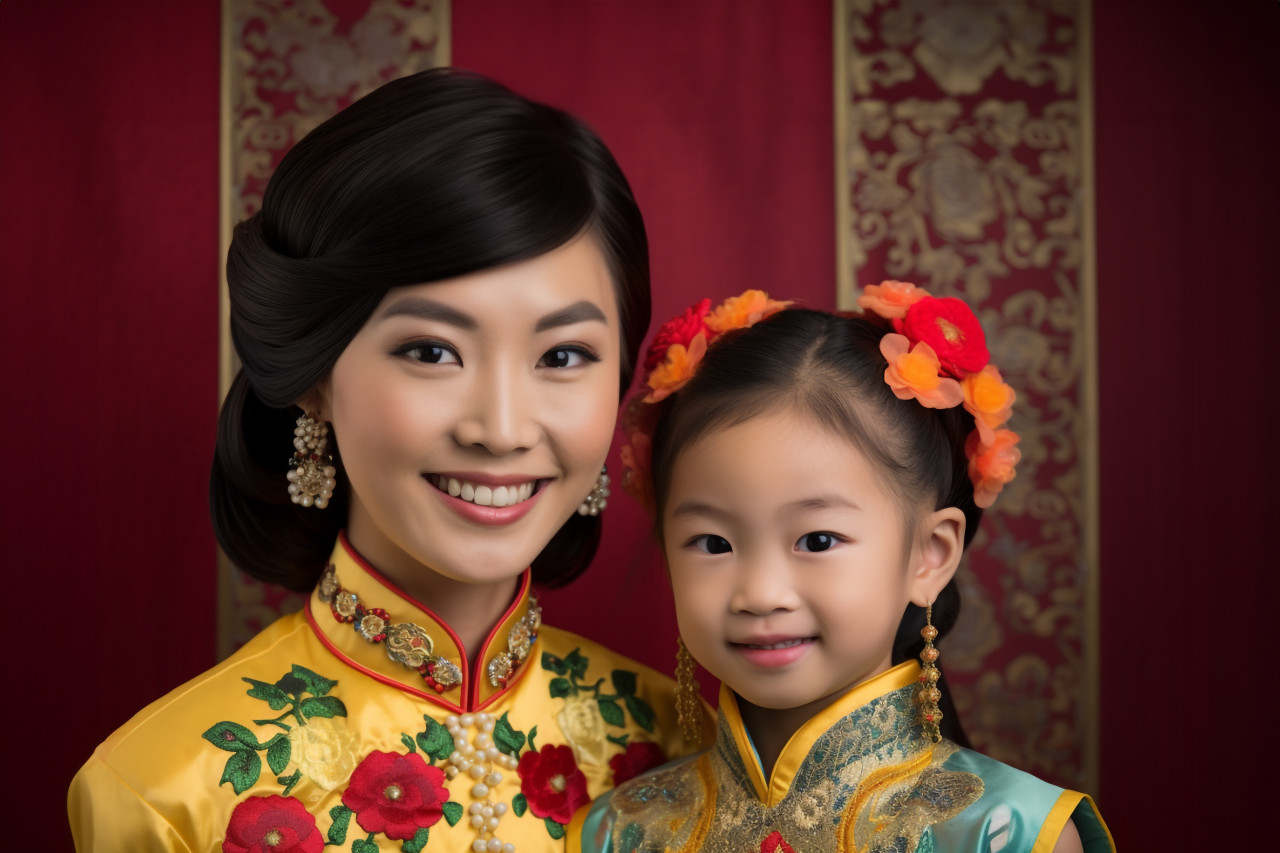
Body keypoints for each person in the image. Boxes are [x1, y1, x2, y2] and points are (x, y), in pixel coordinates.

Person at [68, 68, 708, 853]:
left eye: (565, 354)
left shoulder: (680, 749)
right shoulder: (169, 791)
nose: (502, 428)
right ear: (313, 379)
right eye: (432, 350)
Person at [570, 287, 1115, 853]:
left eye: (818, 539)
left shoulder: (1009, 833)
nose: (760, 594)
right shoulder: (618, 832)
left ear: (929, 553)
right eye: (712, 542)